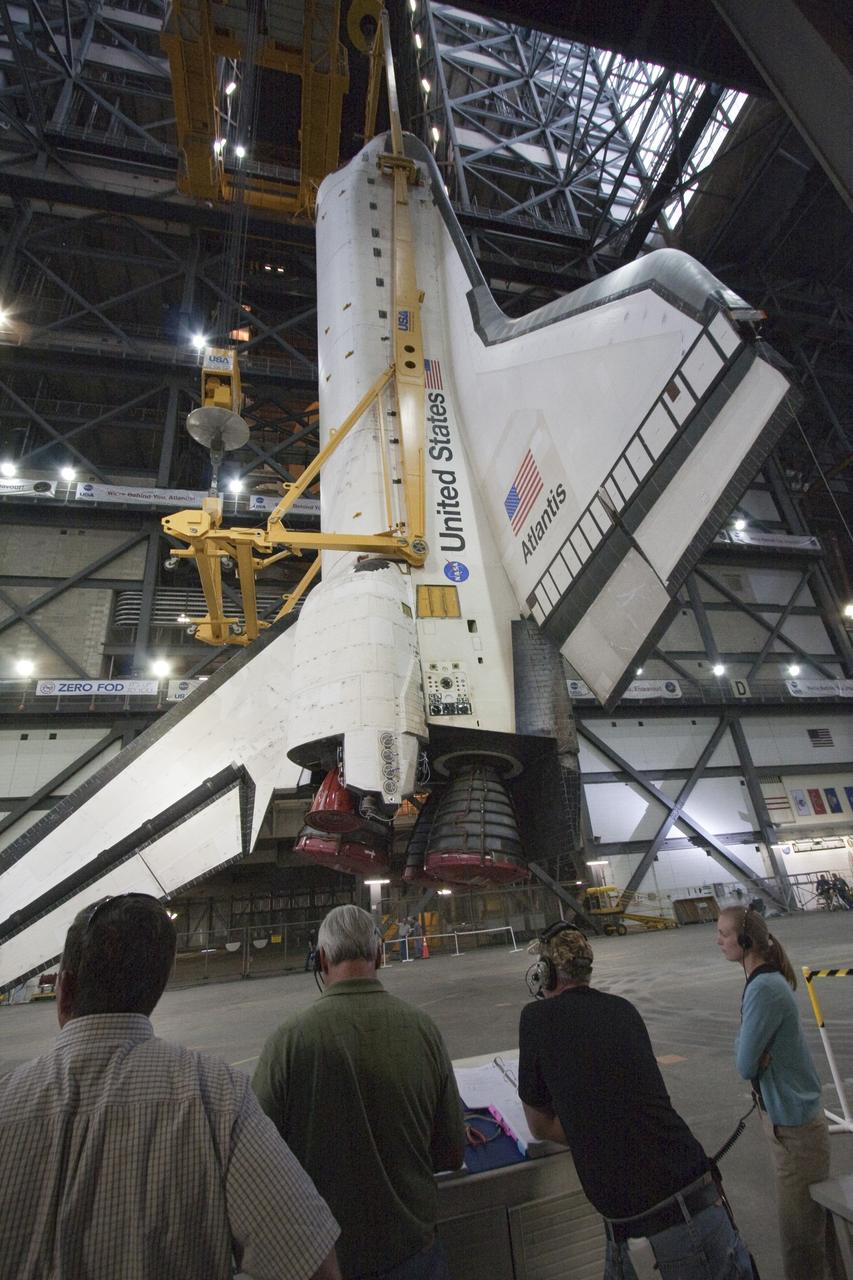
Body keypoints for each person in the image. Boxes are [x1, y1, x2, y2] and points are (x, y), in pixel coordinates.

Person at [0, 893, 341, 1280]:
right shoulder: (215, 1095)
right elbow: (315, 1267)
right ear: (156, 989)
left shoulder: (7, 1101)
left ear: (63, 989)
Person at [518, 921, 753, 1280]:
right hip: (678, 1207)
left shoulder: (536, 1019)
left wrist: (591, 1121)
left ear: (545, 974)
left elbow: (540, 1125)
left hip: (665, 1226)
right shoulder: (623, 1009)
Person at [253, 904, 464, 1279]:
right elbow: (451, 1152)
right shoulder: (424, 1030)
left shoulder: (286, 1043)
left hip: (326, 1261)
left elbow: (259, 1165)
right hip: (413, 1253)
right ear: (379, 955)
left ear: (321, 959)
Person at [717, 905, 843, 1280]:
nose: (718, 941)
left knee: (800, 1243)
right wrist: (751, 1047)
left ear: (744, 940)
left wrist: (749, 1047)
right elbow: (749, 1054)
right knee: (811, 1234)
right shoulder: (762, 984)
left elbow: (744, 1063)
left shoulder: (764, 990)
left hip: (795, 1132)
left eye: (724, 933)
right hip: (788, 1126)